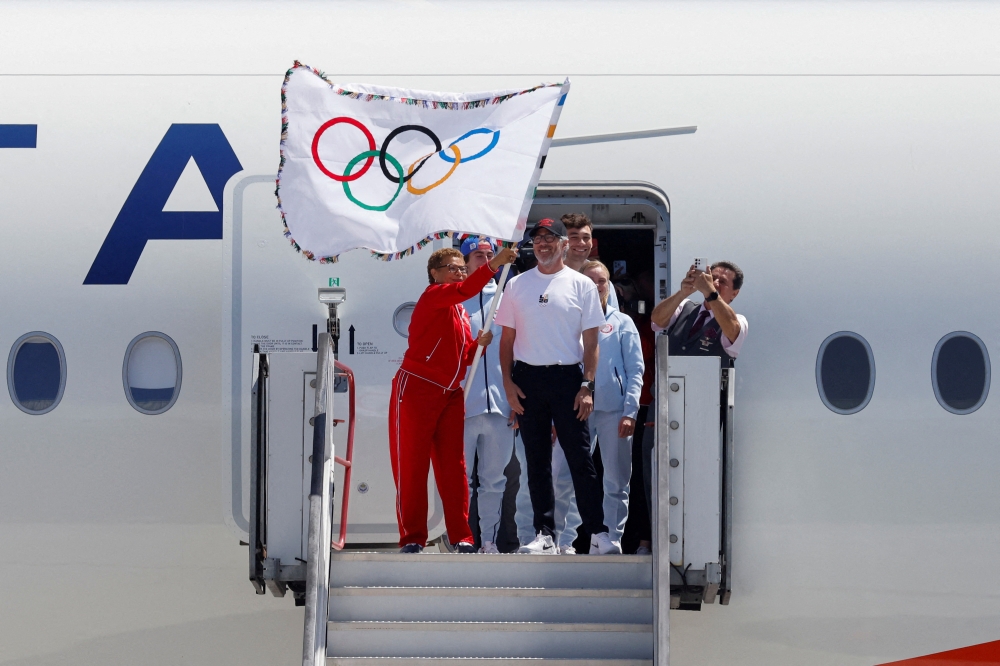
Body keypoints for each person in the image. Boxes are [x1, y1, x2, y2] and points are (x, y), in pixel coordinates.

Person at [494, 217, 620, 555]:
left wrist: (587, 386)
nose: (543, 245)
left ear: (564, 244)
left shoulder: (581, 284)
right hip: (527, 380)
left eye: (550, 239)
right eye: (538, 240)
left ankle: (597, 533)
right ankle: (543, 534)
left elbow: (592, 341)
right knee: (536, 462)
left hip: (568, 380)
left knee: (581, 460)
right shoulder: (517, 284)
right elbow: (506, 339)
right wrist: (507, 383)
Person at [389, 243, 518, 554]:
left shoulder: (458, 310)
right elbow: (463, 291)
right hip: (418, 388)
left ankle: (462, 535)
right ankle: (413, 537)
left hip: (449, 393)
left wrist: (479, 345)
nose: (460, 272)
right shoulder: (434, 295)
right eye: (453, 268)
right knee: (413, 466)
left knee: (455, 467)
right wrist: (494, 264)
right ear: (435, 274)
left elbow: (462, 355)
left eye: (462, 268)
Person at [643, 261, 747, 529]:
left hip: (704, 411)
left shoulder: (737, 320)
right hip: (667, 406)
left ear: (734, 293)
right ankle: (657, 534)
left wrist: (711, 294)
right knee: (655, 471)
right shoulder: (683, 309)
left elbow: (732, 331)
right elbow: (656, 321)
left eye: (722, 282)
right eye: (712, 278)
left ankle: (697, 536)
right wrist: (683, 292)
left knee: (699, 474)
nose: (714, 283)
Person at [551, 261, 644, 553]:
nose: (596, 286)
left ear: (608, 286)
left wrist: (630, 411)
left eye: (601, 281)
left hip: (614, 411)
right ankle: (562, 541)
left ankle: (610, 541)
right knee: (564, 476)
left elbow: (635, 370)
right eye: (589, 281)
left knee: (616, 481)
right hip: (576, 410)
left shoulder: (622, 323)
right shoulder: (567, 320)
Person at [460, 237, 530, 553]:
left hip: (500, 406)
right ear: (465, 262)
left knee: (494, 481)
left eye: (491, 255)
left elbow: (520, 353)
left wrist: (515, 397)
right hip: (461, 406)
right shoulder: (455, 300)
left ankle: (489, 540)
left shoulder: (508, 298)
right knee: (461, 481)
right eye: (479, 255)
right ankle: (461, 537)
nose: (487, 260)